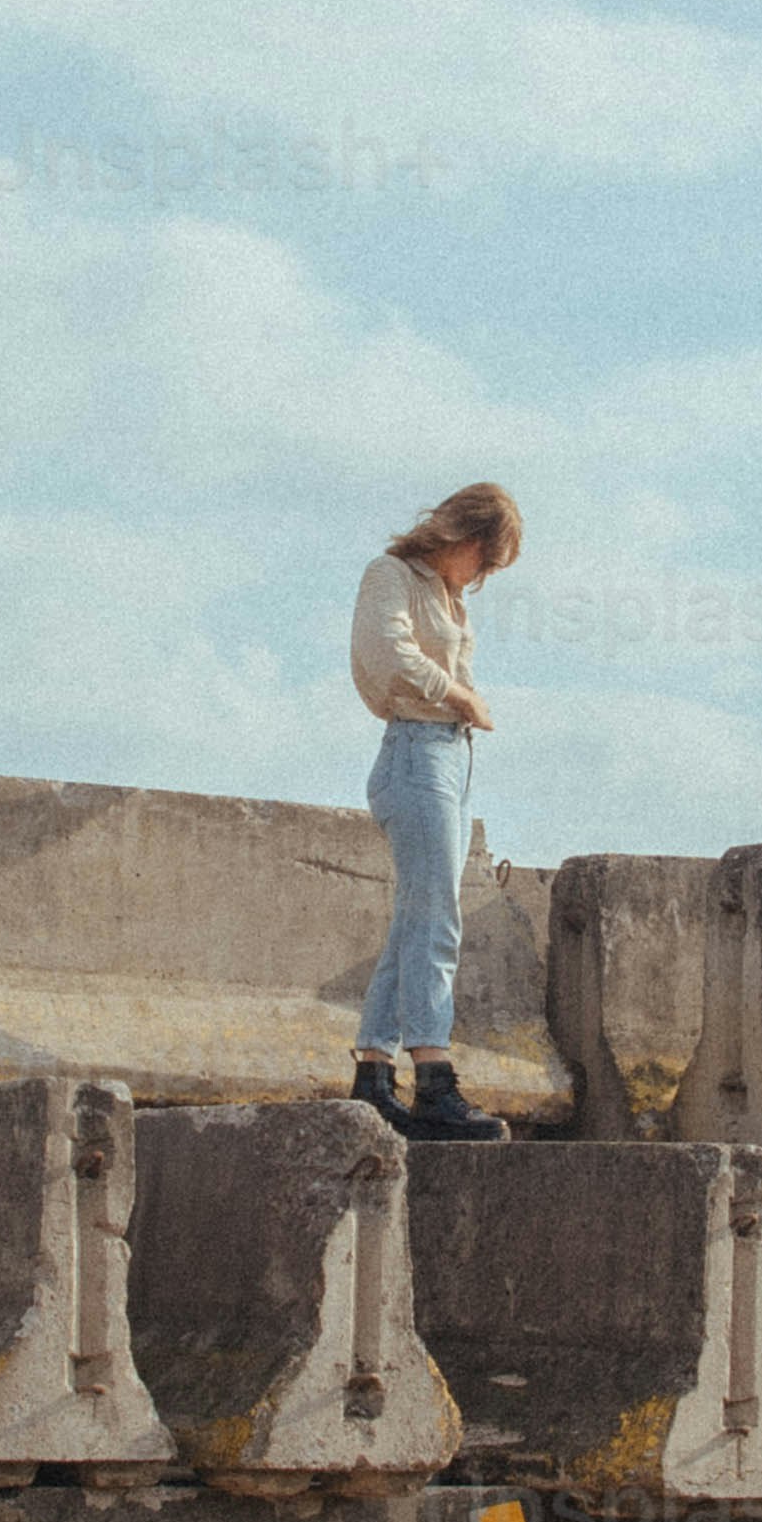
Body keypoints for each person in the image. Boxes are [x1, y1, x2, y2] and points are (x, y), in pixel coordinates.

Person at [347, 479, 522, 1139]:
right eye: (483, 562)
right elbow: (387, 655)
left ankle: (372, 1072)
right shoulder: (391, 574)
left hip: (446, 759)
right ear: (464, 539)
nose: (479, 580)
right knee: (436, 920)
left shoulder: (447, 596)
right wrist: (460, 695)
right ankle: (434, 1077)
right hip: (416, 753)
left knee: (415, 921)